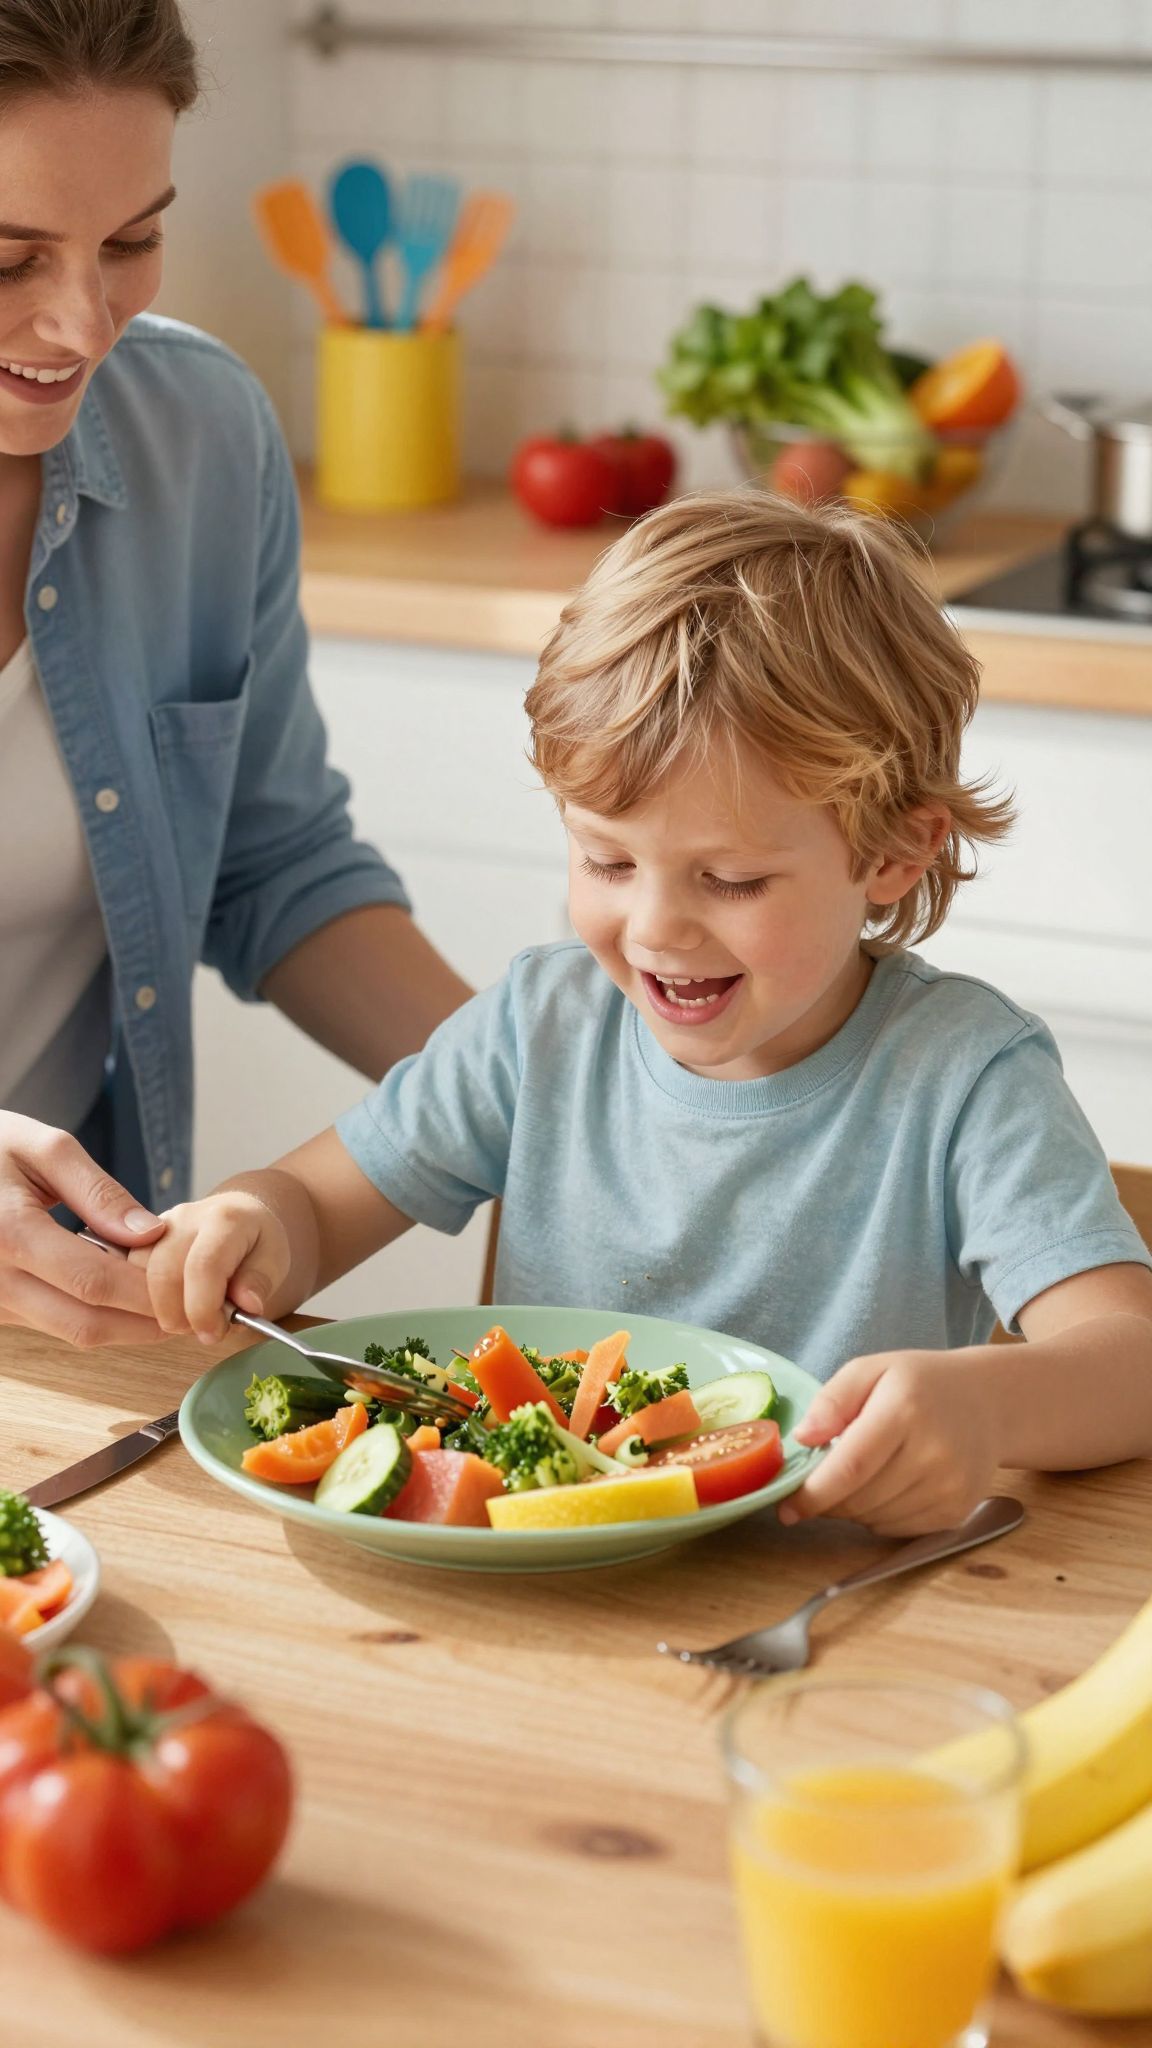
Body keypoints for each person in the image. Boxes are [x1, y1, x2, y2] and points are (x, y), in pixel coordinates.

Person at [128, 492, 1152, 1535]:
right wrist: (251, 1223)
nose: (656, 927)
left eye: (733, 879)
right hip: (538, 1579)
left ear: (892, 852)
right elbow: (312, 1205)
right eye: (606, 860)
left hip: (824, 1588)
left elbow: (1133, 1362)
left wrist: (985, 1404)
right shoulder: (540, 1026)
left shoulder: (969, 1077)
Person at [0, 0, 470, 1351]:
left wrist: (559, 1087)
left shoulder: (198, 433)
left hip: (63, 1313)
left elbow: (272, 861)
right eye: (8, 258)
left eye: (130, 242)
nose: (81, 324)